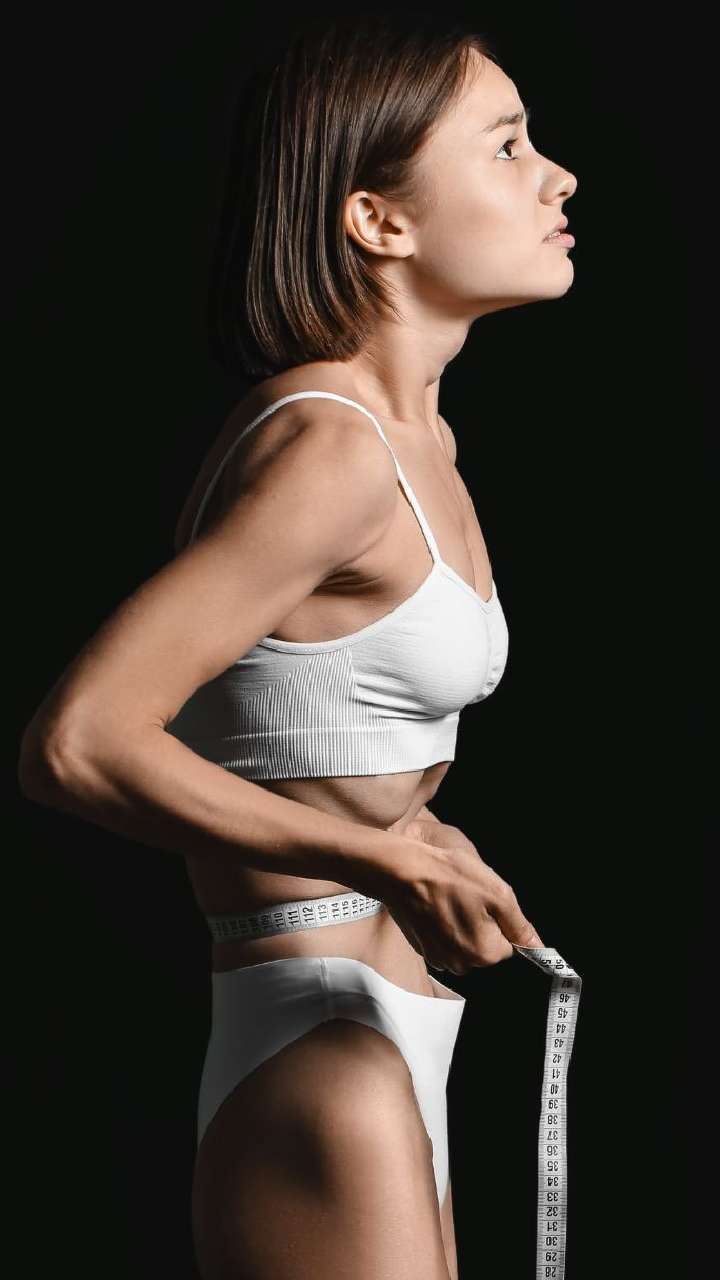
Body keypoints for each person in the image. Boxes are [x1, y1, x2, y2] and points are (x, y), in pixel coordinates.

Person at [18, 12, 577, 1279]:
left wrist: (416, 832)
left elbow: (311, 719)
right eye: (505, 146)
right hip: (324, 1052)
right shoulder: (331, 448)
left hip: (390, 1014)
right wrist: (380, 854)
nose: (558, 176)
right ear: (378, 219)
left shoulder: (420, 440)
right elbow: (78, 742)